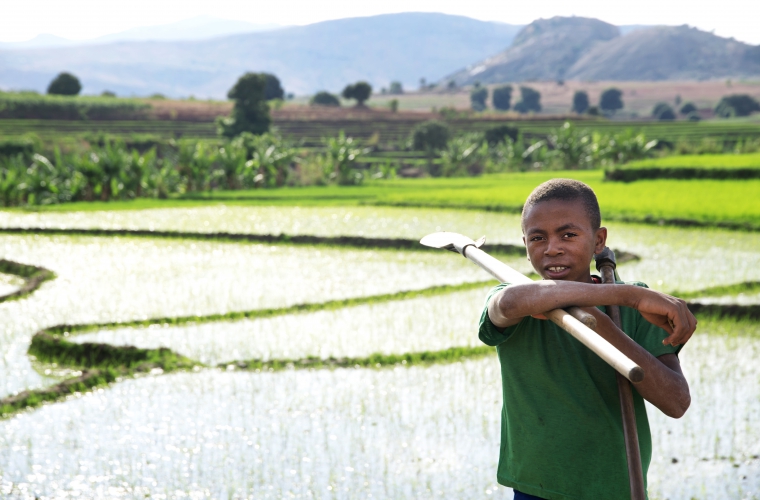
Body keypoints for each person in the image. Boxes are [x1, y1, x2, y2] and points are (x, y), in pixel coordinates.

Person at [479, 179, 696, 500]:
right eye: (538, 238)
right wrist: (628, 295)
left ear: (599, 241)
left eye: (568, 234)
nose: (552, 248)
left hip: (615, 489)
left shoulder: (632, 313)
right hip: (536, 489)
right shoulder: (515, 298)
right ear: (525, 247)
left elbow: (676, 402)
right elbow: (510, 304)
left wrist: (604, 324)